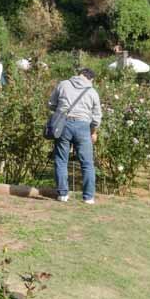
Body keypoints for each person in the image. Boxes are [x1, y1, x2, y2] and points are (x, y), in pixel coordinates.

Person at [48, 68, 102, 204]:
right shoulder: (92, 92)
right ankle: (88, 197)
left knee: (61, 160)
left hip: (64, 125)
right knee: (87, 163)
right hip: (84, 127)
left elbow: (51, 104)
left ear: (79, 74)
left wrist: (61, 111)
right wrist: (93, 132)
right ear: (91, 79)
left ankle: (62, 195)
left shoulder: (63, 84)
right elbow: (96, 117)